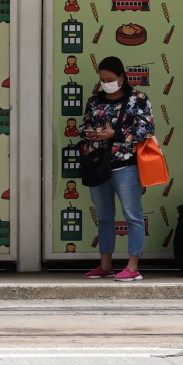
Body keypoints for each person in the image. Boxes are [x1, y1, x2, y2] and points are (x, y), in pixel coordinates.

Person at [80, 56, 155, 282]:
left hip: (126, 165)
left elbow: (147, 129)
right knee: (104, 217)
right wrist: (90, 133)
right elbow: (83, 125)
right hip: (98, 166)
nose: (106, 83)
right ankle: (105, 265)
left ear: (121, 77)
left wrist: (116, 134)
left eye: (110, 79)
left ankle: (133, 266)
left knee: (133, 216)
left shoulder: (138, 99)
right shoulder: (94, 101)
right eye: (102, 80)